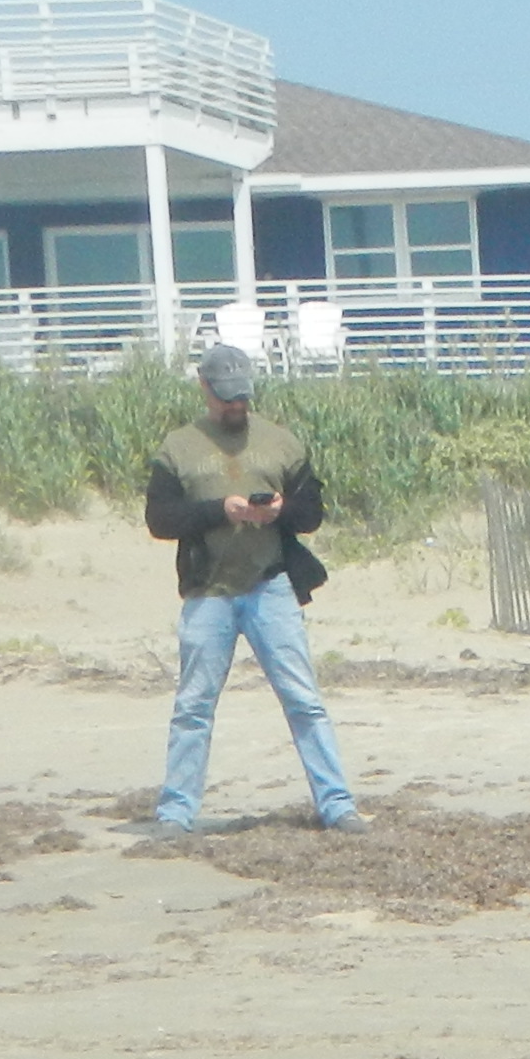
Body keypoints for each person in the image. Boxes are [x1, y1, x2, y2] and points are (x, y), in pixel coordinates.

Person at [142, 340, 357, 833]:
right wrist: (221, 510)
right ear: (204, 389)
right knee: (193, 707)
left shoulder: (281, 442)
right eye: (225, 397)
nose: (235, 405)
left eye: (241, 396)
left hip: (271, 587)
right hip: (207, 593)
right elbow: (160, 519)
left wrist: (280, 511)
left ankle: (337, 805)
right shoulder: (177, 447)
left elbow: (313, 513)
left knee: (304, 700)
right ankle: (176, 813)